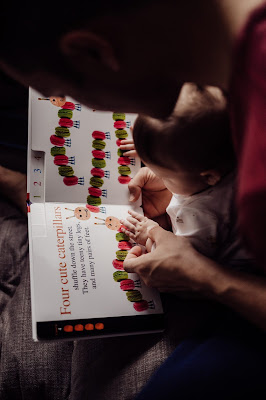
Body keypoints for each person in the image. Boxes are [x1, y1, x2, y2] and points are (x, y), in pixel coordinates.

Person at [121, 83, 252, 273]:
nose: (158, 177)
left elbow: (180, 262)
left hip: (230, 270)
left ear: (209, 177)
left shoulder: (200, 216)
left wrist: (149, 237)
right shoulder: (231, 158)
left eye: (165, 175)